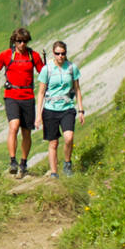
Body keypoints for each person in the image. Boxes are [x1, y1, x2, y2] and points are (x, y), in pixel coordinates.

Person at [0, 27, 44, 177]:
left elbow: (43, 73)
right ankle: (12, 161)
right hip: (11, 95)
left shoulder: (34, 56)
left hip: (28, 96)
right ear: (14, 41)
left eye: (25, 41)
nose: (22, 44)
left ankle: (23, 163)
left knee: (26, 132)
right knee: (13, 126)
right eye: (19, 41)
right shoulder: (6, 55)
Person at [36, 40, 84, 177]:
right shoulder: (47, 69)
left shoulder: (72, 68)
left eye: (63, 53)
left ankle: (67, 164)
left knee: (69, 137)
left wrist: (81, 110)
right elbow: (40, 93)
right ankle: (54, 173)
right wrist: (38, 115)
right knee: (54, 142)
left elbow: (77, 89)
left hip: (67, 108)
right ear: (53, 53)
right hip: (50, 109)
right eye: (57, 54)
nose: (60, 56)